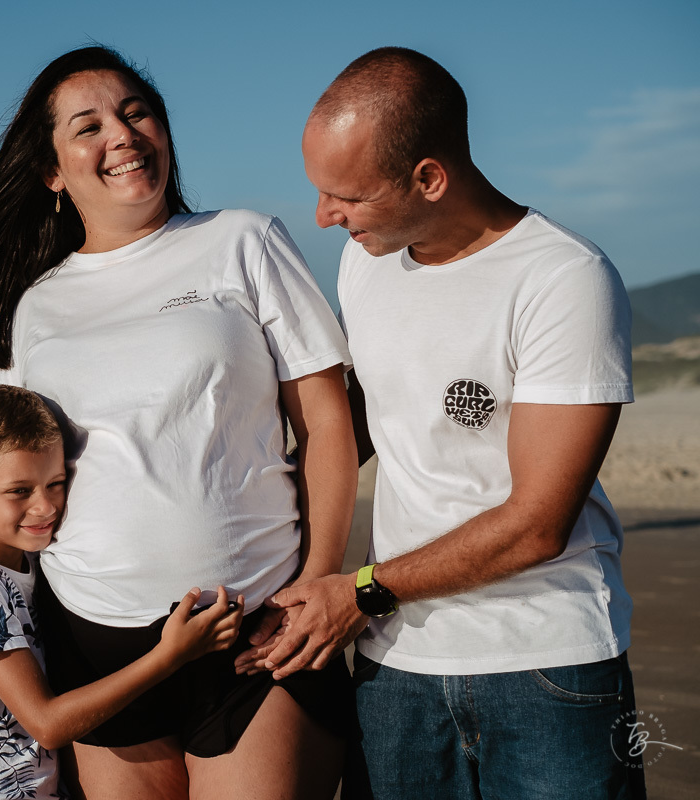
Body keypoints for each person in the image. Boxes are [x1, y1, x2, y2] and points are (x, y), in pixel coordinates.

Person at [0, 46, 358, 800]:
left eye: (135, 112)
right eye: (88, 126)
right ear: (53, 171)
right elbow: (9, 472)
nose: (121, 135)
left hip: (254, 631)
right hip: (94, 647)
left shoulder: (242, 240)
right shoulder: (37, 305)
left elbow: (325, 421)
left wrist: (318, 584)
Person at [234, 46, 646, 798]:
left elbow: (538, 523)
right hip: (398, 668)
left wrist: (356, 592)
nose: (325, 217)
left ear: (429, 177)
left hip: (545, 664)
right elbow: (354, 431)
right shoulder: (368, 260)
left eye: (346, 196)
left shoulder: (563, 280)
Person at [0, 384, 243, 800]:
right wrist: (170, 655)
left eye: (56, 483)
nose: (45, 506)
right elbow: (46, 723)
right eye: (20, 491)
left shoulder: (30, 565)